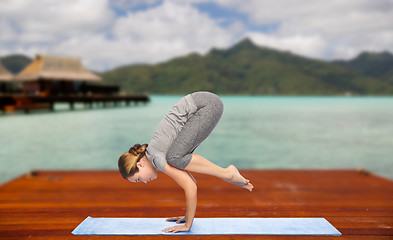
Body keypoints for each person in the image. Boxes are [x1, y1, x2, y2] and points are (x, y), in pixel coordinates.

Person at [118, 91, 253, 233]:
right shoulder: (156, 153)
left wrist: (187, 225)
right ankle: (227, 173)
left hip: (205, 105)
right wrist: (187, 215)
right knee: (176, 157)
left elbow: (190, 187)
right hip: (205, 103)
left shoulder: (157, 158)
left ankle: (227, 173)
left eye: (139, 179)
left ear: (140, 164)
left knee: (175, 157)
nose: (145, 182)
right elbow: (191, 182)